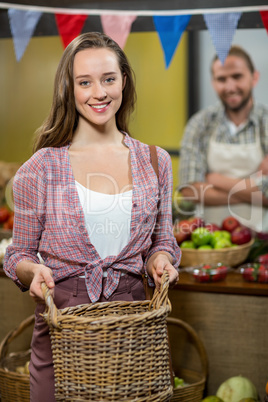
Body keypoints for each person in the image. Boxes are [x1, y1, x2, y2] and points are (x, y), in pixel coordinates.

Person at [3, 32, 180, 401]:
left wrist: (161, 259)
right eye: (85, 82)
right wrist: (33, 272)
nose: (99, 93)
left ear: (124, 81)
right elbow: (17, 254)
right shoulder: (41, 167)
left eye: (108, 79)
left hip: (133, 329)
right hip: (61, 326)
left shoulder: (155, 161)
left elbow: (162, 241)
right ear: (70, 88)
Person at [178, 45, 268, 232]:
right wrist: (255, 191)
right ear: (213, 83)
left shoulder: (265, 122)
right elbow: (189, 190)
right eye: (221, 79)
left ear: (255, 77)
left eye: (237, 76)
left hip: (262, 238)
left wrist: (215, 180)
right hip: (211, 239)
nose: (230, 86)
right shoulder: (200, 124)